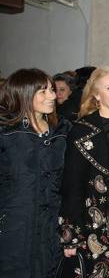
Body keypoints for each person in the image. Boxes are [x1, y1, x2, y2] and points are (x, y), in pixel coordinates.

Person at [58, 67, 109, 278]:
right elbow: (71, 187)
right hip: (92, 221)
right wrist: (70, 236)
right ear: (96, 95)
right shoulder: (82, 131)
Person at [0, 68, 72, 278]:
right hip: (13, 227)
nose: (53, 96)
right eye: (44, 92)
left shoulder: (62, 131)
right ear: (24, 94)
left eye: (52, 90)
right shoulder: (6, 132)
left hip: (51, 228)